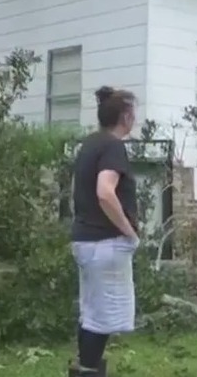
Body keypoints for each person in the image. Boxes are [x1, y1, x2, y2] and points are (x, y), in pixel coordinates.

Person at [69, 86, 140, 377]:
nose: (135, 117)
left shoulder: (90, 143)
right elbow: (104, 193)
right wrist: (129, 232)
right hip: (104, 242)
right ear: (125, 116)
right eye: (133, 112)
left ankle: (86, 367)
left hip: (86, 241)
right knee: (101, 319)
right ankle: (87, 370)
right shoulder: (112, 146)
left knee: (92, 313)